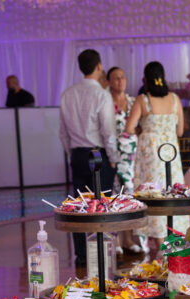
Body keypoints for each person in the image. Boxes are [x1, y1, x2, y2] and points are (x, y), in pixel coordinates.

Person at [59, 49, 118, 265]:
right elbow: (109, 132)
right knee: (101, 204)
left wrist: (72, 154)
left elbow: (63, 133)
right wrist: (113, 158)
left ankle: (82, 255)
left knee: (78, 205)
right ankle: (101, 253)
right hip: (98, 154)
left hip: (77, 154)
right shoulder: (102, 95)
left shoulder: (67, 94)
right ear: (99, 66)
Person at [126, 61, 186, 258]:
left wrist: (142, 130)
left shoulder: (143, 99)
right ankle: (175, 243)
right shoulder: (175, 99)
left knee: (154, 194)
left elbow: (128, 128)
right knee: (172, 193)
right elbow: (180, 131)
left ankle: (161, 245)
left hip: (151, 155)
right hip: (171, 153)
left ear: (145, 79)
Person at [104, 66, 142, 255]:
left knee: (129, 196)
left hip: (132, 155)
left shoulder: (132, 100)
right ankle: (115, 238)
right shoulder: (105, 101)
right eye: (116, 78)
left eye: (123, 77)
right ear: (109, 81)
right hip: (114, 154)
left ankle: (128, 238)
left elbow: (139, 125)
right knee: (115, 196)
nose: (120, 81)